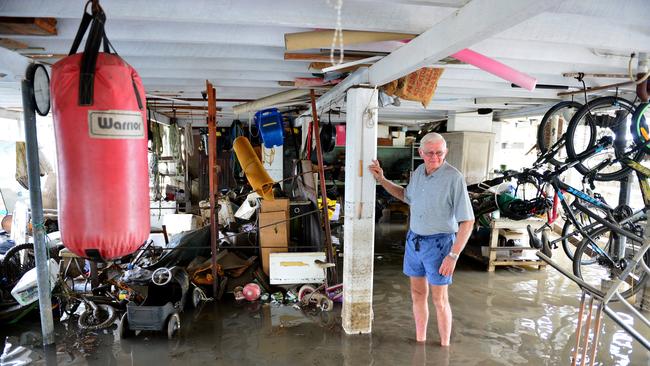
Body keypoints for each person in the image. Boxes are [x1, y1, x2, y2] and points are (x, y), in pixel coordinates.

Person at [368, 132, 474, 346]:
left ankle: (444, 346)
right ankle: (420, 341)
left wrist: (453, 255)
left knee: (440, 300)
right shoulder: (418, 172)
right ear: (421, 153)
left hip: (440, 244)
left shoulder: (454, 178)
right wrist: (382, 179)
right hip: (414, 242)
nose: (435, 157)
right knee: (417, 294)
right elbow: (405, 196)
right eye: (430, 153)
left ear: (445, 152)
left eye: (439, 153)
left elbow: (467, 221)